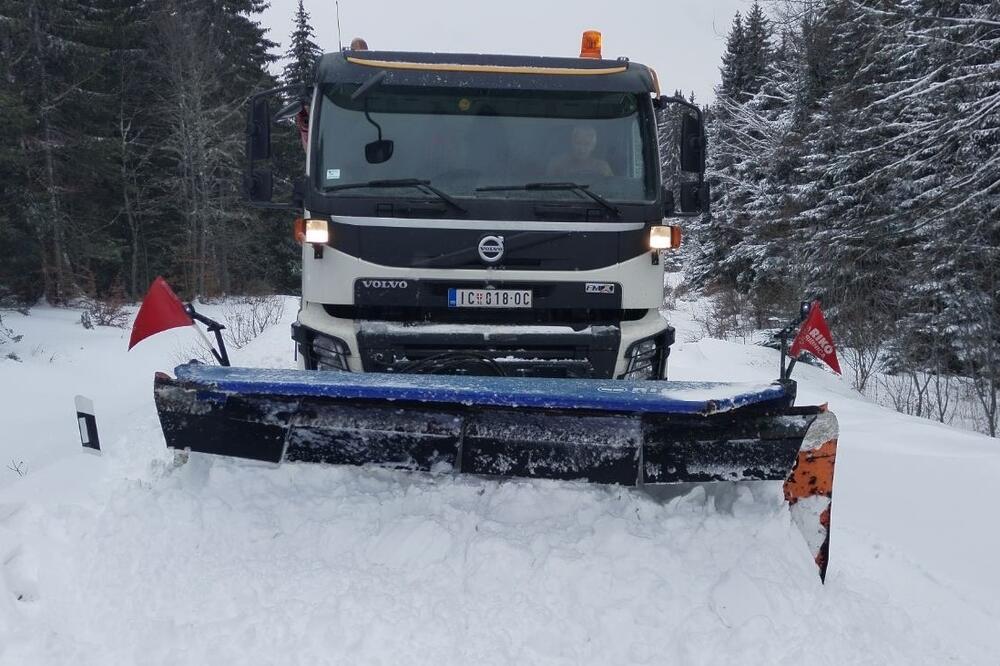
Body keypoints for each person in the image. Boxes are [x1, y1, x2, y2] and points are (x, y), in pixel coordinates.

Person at [546, 125, 613, 179]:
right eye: (578, 143)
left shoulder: (602, 167)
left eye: (587, 144)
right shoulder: (557, 164)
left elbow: (610, 189)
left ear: (593, 146)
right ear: (572, 143)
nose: (582, 149)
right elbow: (548, 189)